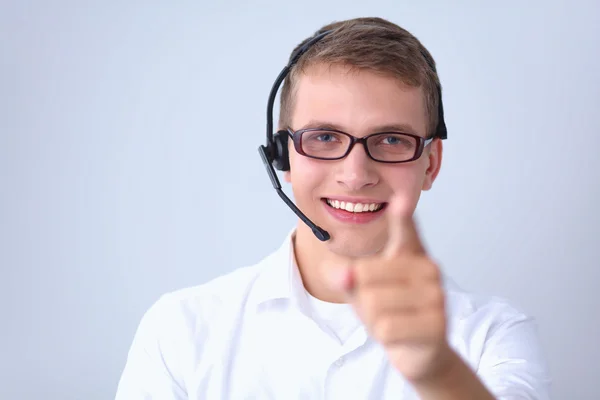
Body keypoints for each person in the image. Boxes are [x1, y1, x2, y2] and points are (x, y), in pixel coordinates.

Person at [115, 17, 551, 399]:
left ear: (430, 164)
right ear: (281, 156)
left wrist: (438, 372)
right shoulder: (180, 330)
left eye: (391, 140)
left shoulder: (492, 334)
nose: (356, 173)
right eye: (325, 138)